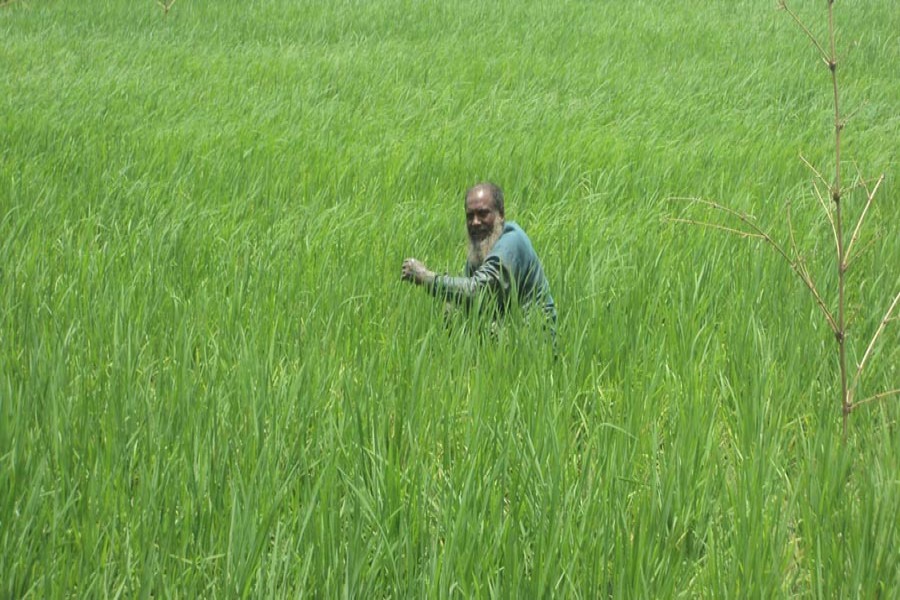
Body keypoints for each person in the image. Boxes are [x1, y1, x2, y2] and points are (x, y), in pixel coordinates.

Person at [401, 182, 557, 339]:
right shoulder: (480, 251)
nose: (475, 222)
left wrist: (426, 277)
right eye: (470, 216)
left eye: (483, 214)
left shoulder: (511, 243)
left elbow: (478, 291)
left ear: (501, 215)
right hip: (508, 337)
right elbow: (469, 302)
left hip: (535, 341)